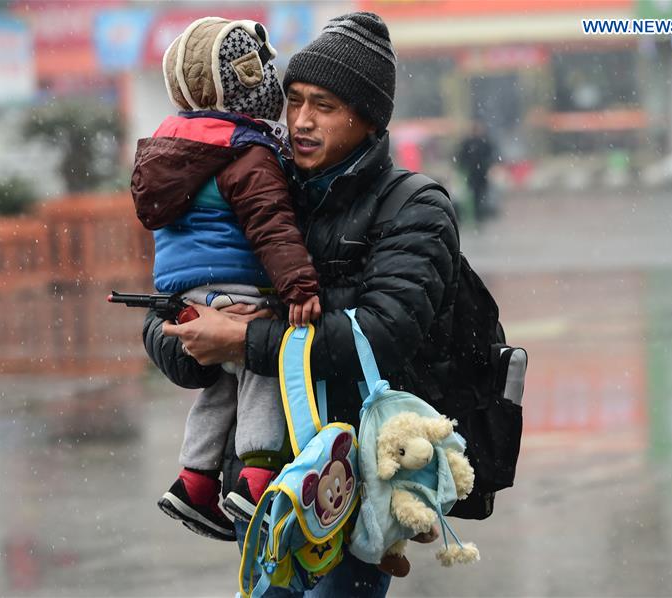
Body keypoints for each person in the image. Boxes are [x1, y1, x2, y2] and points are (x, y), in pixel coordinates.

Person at [144, 11, 460, 597]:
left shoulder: (415, 208)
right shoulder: (259, 179)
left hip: (346, 485)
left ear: (367, 120)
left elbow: (384, 335)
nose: (302, 122)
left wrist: (244, 341)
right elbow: (165, 310)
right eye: (293, 101)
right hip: (258, 491)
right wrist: (192, 339)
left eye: (325, 106)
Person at [131, 17, 321, 543]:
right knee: (261, 369)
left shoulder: (171, 145)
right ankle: (257, 480)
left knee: (220, 384)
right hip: (235, 288)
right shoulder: (245, 150)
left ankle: (194, 481)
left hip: (181, 294)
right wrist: (299, 287)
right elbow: (272, 227)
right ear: (246, 80)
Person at [455, 121, 498, 222]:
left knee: (480, 193)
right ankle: (477, 214)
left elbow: (490, 155)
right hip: (475, 173)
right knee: (476, 194)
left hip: (480, 173)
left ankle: (479, 214)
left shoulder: (481, 142)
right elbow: (461, 156)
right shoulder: (471, 142)